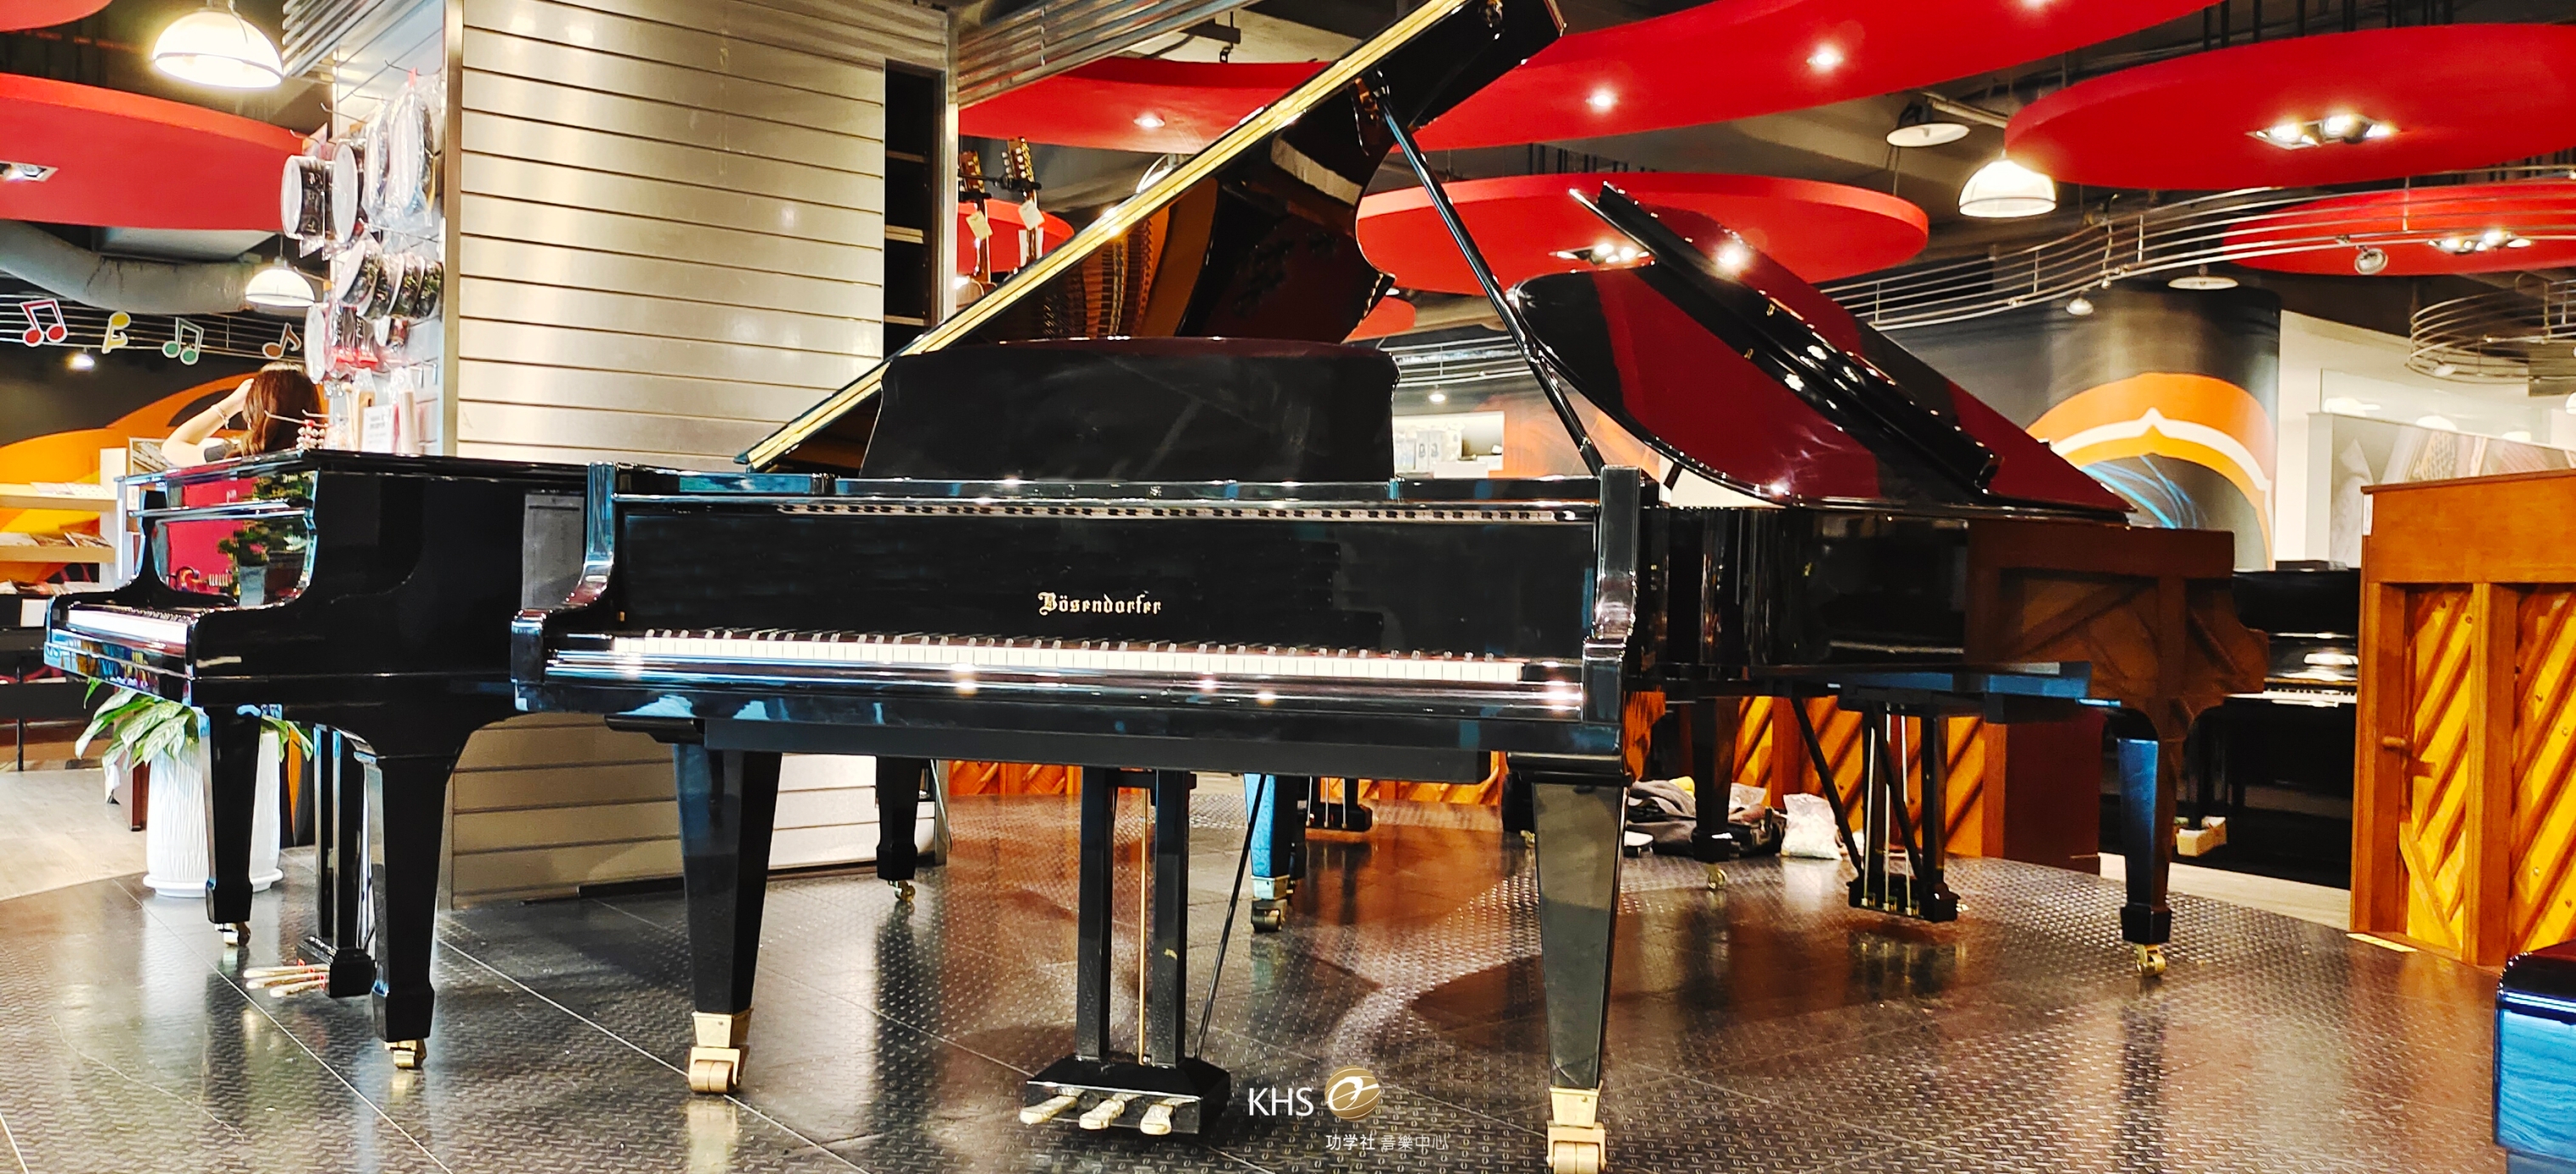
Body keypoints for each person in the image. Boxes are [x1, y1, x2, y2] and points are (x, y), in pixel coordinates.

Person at [162, 364, 325, 467]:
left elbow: (172, 449)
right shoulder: (326, 453)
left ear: (255, 407)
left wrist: (232, 403)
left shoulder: (240, 454)